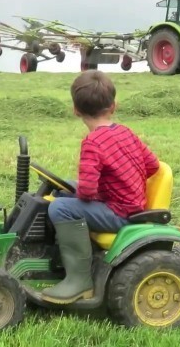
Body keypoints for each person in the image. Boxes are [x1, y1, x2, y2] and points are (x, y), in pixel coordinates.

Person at [41, 70, 160, 304]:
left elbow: (86, 192)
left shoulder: (93, 143)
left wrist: (85, 192)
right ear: (113, 105)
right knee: (64, 190)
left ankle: (78, 280)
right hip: (128, 204)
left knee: (59, 208)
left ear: (76, 110)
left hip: (121, 213)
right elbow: (153, 165)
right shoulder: (126, 132)